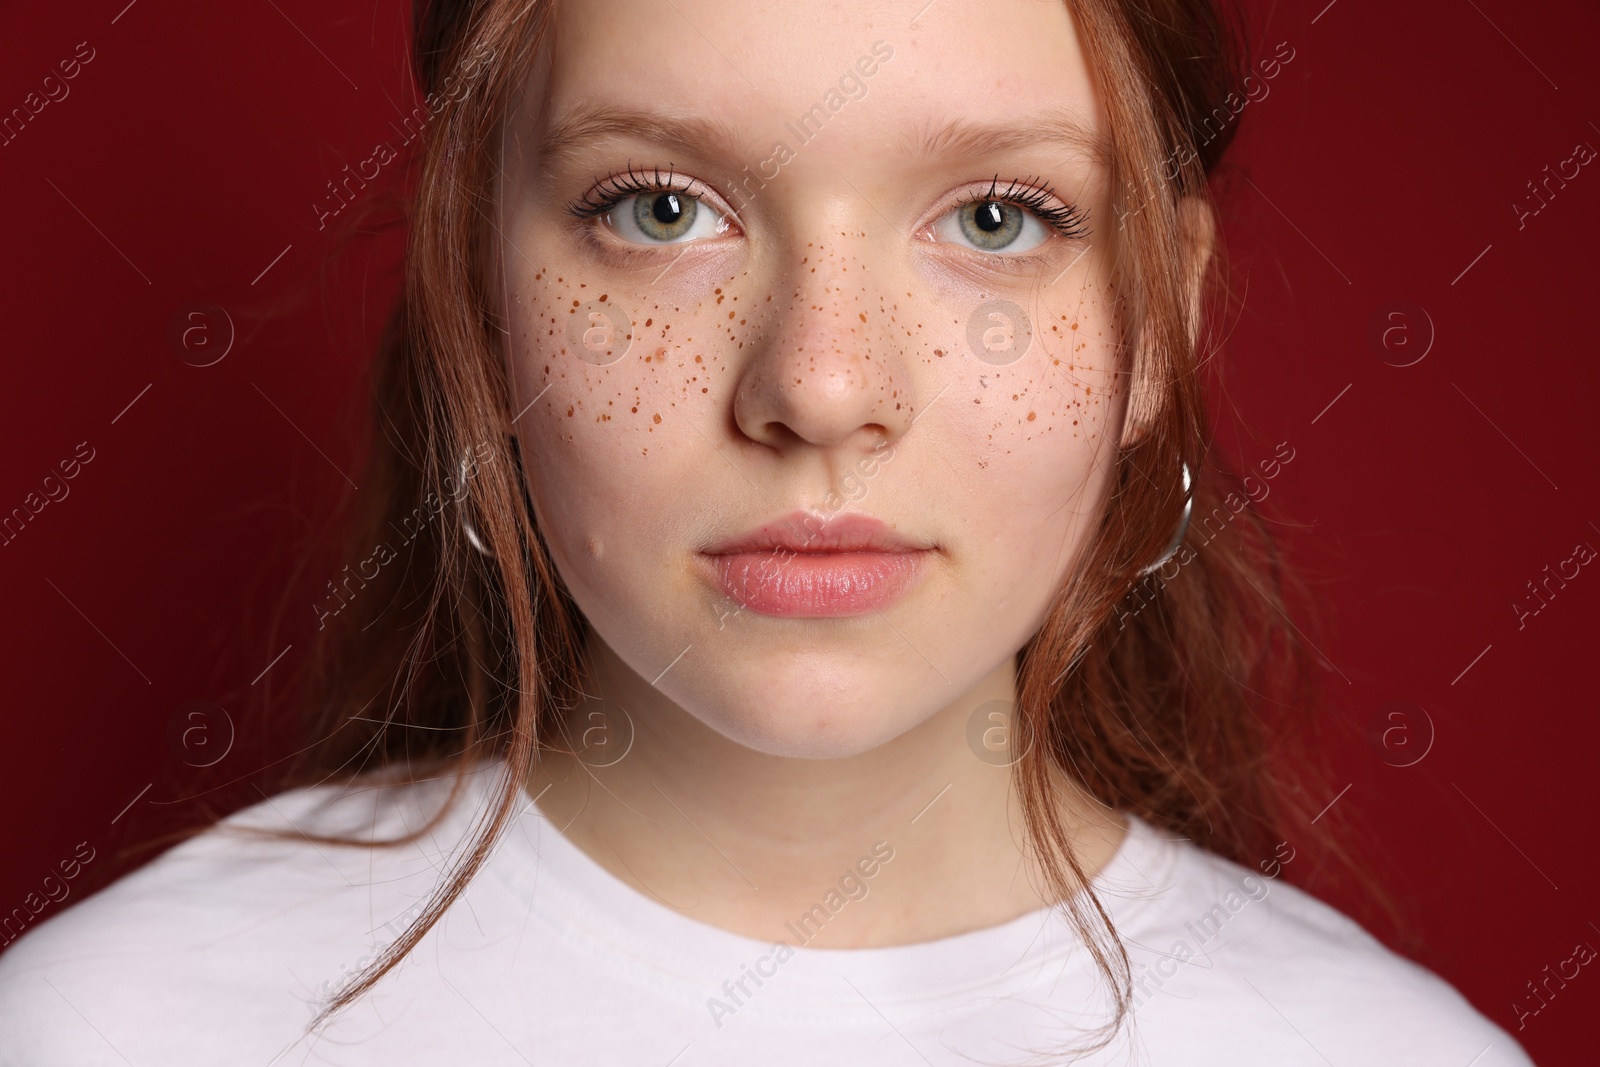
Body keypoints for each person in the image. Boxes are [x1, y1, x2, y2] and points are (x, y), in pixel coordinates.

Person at [0, 0, 1539, 1062]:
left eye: (998, 217)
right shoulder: (100, 1034)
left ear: (1160, 325)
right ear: (479, 294)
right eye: (660, 209)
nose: (820, 385)